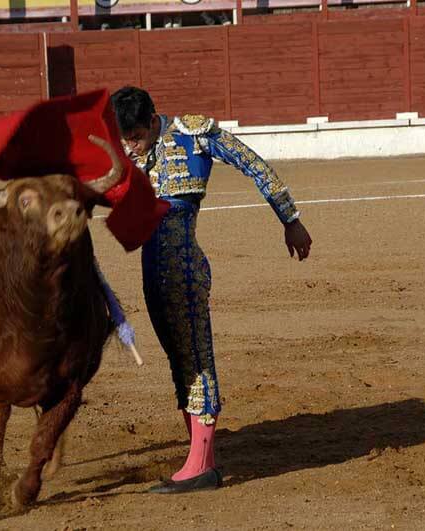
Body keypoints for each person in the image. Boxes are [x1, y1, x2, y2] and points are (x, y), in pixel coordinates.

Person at [110, 86, 313, 494]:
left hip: (184, 265)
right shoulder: (132, 149)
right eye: (124, 138)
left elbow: (253, 163)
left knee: (196, 358)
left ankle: (202, 467)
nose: (130, 147)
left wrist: (289, 218)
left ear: (153, 121)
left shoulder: (193, 133)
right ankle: (200, 455)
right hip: (153, 267)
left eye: (135, 136)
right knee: (178, 359)